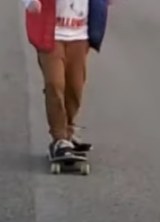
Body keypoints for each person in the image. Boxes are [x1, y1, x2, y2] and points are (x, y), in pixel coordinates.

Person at [21, 0, 110, 158]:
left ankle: (68, 131)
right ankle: (60, 138)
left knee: (75, 88)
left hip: (80, 36)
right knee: (55, 83)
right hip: (50, 35)